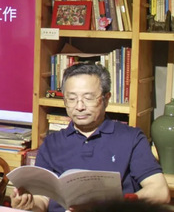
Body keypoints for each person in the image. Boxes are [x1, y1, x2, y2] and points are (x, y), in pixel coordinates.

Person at [11, 63, 171, 212]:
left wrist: (115, 205)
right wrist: (29, 204)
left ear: (106, 99)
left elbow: (159, 191)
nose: (79, 107)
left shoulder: (131, 138)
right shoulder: (52, 143)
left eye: (88, 98)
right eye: (71, 99)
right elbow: (43, 200)